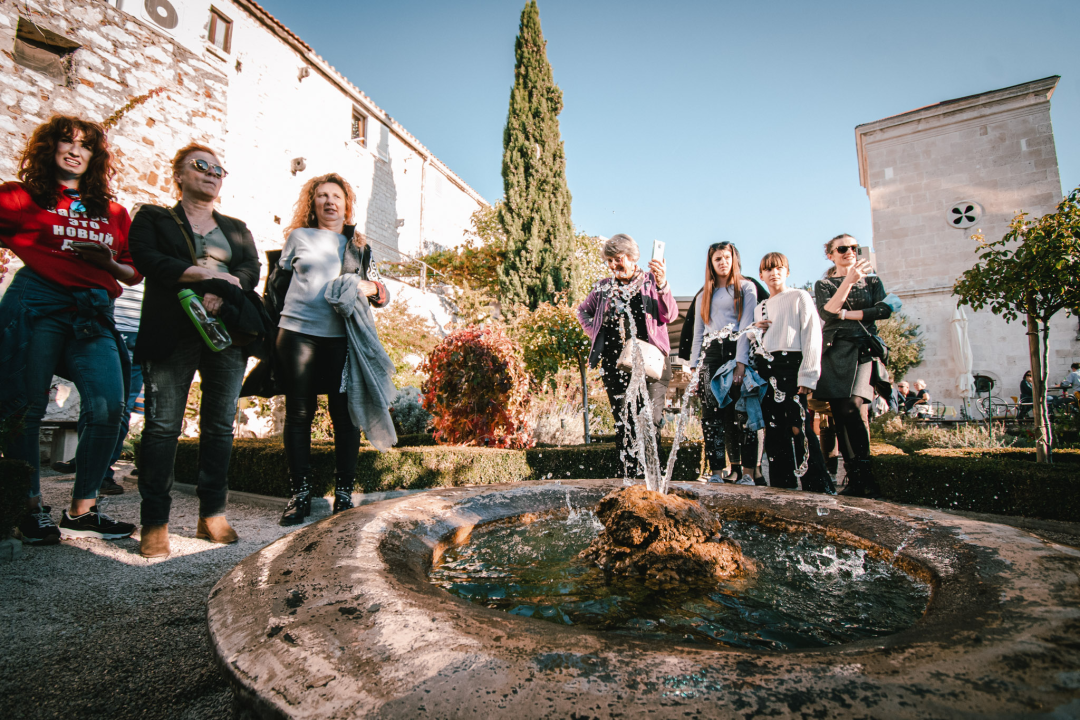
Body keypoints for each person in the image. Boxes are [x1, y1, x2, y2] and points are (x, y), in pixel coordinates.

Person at [0, 115, 140, 544]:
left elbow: (132, 272)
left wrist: (105, 262)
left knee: (109, 406)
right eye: (67, 142)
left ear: (96, 157)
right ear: (51, 149)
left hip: (93, 312)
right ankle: (29, 507)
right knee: (26, 406)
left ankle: (82, 509)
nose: (75, 150)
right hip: (38, 303)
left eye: (86, 145)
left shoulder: (113, 212)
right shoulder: (22, 197)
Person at [128, 143, 260, 558]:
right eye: (200, 166)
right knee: (163, 426)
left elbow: (250, 270)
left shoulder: (236, 228)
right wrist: (205, 276)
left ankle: (212, 514)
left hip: (226, 331)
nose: (211, 173)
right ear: (179, 174)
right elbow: (149, 259)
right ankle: (155, 521)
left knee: (220, 424)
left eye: (219, 169)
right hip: (172, 329)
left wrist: (221, 292)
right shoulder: (153, 218)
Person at [272, 173, 392, 525]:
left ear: (345, 203)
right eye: (321, 196)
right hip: (296, 335)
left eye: (335, 196)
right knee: (298, 415)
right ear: (313, 203)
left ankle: (343, 496)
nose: (329, 202)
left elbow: (381, 291)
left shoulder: (357, 245)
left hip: (342, 341)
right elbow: (278, 284)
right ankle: (300, 495)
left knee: (345, 417)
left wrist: (368, 288)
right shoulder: (298, 237)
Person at [577, 234, 675, 479]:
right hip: (615, 365)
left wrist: (663, 284)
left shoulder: (652, 281)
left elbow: (669, 315)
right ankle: (628, 481)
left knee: (650, 421)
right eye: (609, 260)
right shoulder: (603, 287)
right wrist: (594, 330)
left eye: (617, 259)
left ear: (633, 258)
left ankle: (652, 479)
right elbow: (582, 311)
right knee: (624, 422)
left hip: (652, 364)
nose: (612, 265)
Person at [814, 234, 894, 498]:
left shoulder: (872, 282)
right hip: (834, 351)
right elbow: (827, 312)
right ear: (831, 254)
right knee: (840, 414)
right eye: (843, 248)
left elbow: (883, 310)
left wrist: (848, 314)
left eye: (854, 248)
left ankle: (865, 475)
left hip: (862, 349)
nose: (850, 251)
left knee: (853, 407)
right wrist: (848, 281)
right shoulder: (824, 284)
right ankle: (853, 478)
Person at [750, 253, 832, 492]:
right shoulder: (760, 308)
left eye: (779, 268)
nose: (774, 273)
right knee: (774, 430)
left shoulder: (800, 296)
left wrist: (808, 374)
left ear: (787, 272)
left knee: (800, 426)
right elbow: (757, 345)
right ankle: (781, 485)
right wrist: (753, 330)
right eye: (768, 269)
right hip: (768, 368)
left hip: (792, 364)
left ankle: (816, 485)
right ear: (761, 274)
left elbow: (812, 335)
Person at [689, 242, 759, 485]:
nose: (722, 262)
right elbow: (698, 333)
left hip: (736, 350)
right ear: (711, 263)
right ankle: (717, 471)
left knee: (742, 414)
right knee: (711, 415)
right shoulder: (703, 295)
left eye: (726, 257)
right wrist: (693, 369)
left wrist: (741, 362)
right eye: (717, 258)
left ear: (734, 259)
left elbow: (747, 326)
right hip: (710, 355)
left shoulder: (746, 288)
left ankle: (748, 473)